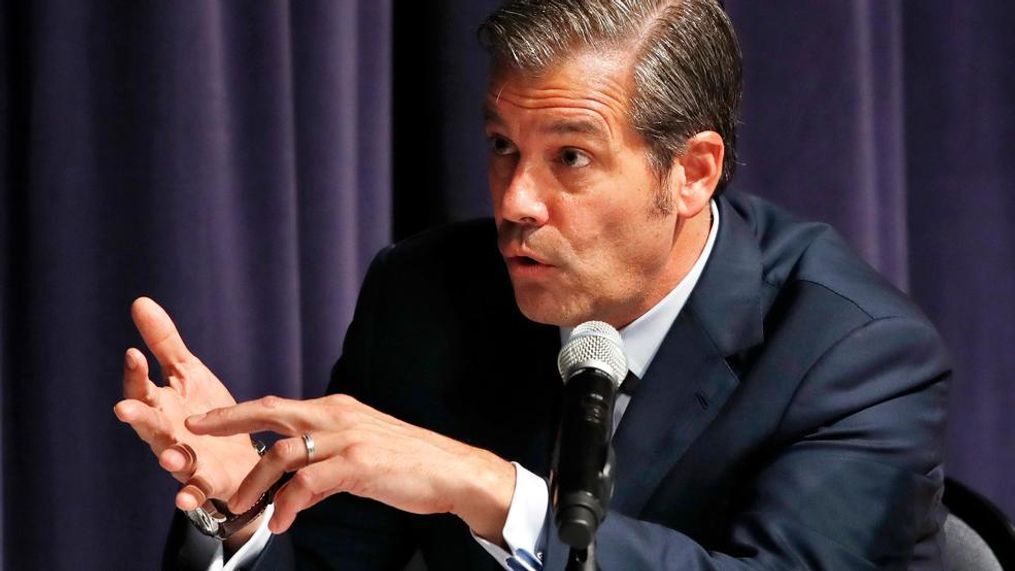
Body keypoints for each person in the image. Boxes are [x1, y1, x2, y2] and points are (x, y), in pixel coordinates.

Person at [115, 0, 950, 569]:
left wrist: (495, 494)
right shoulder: (427, 297)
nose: (514, 201)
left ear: (691, 172)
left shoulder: (853, 355)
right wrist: (246, 516)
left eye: (570, 158)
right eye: (502, 146)